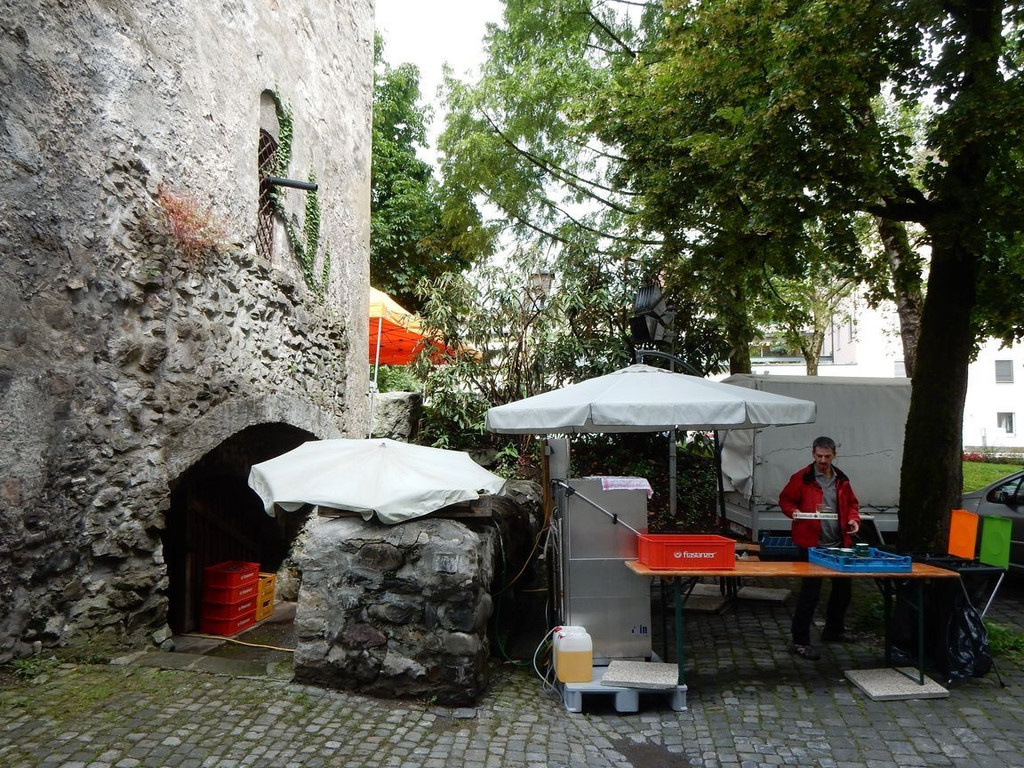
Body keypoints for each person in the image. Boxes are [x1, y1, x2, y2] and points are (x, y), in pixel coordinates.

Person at [779, 436, 861, 661]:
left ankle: (834, 630)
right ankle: (800, 641)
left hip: (838, 543)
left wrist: (853, 520)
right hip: (811, 545)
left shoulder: (841, 479)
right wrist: (794, 512)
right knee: (810, 594)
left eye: (827, 456)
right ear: (813, 454)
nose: (823, 460)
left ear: (834, 455)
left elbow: (852, 505)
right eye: (819, 456)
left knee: (843, 591)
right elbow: (785, 500)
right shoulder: (802, 477)